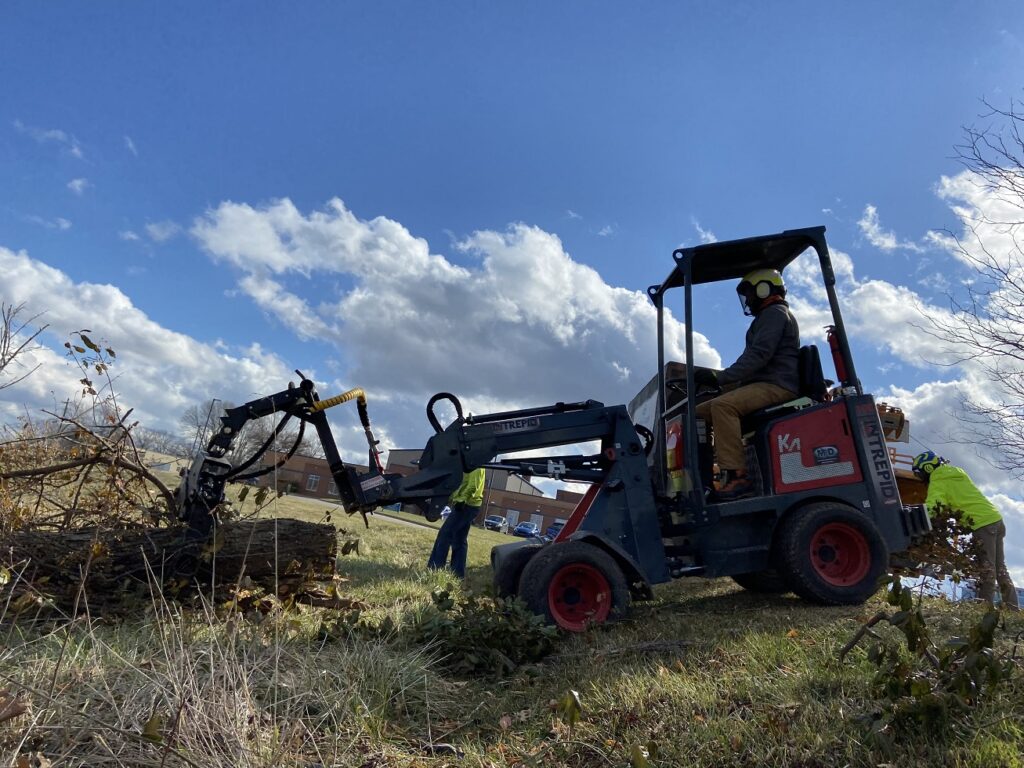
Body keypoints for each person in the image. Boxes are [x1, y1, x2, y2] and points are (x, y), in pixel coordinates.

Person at [693, 268, 800, 501]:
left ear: (765, 288)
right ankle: (702, 478)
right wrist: (720, 382)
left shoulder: (775, 314)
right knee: (697, 413)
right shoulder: (766, 317)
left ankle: (738, 477)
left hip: (777, 385)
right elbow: (752, 362)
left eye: (750, 293)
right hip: (763, 382)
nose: (748, 300)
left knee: (723, 407)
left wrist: (719, 378)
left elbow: (758, 356)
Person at [912, 451, 1019, 610]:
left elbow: (934, 507)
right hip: (995, 518)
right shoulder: (957, 472)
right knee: (1000, 567)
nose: (922, 479)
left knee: (986, 567)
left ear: (927, 468)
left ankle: (983, 610)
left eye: (921, 474)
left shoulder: (938, 479)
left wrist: (916, 516)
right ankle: (1013, 608)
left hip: (982, 524)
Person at [426, 467, 486, 579]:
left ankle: (435, 568)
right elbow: (462, 483)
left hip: (466, 505)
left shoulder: (476, 463)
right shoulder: (469, 462)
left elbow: (474, 485)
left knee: (444, 535)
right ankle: (458, 574)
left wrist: (462, 499)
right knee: (459, 540)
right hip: (468, 504)